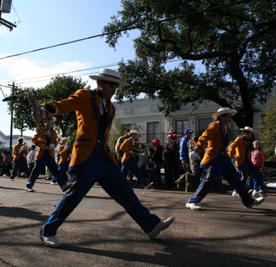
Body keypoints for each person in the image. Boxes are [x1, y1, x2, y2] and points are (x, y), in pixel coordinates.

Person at [39, 68, 174, 248]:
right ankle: (47, 231)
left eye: (116, 87)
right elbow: (63, 105)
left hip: (105, 157)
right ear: (100, 84)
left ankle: (151, 225)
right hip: (86, 157)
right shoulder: (84, 95)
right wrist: (46, 108)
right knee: (75, 195)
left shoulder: (111, 108)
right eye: (111, 86)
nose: (114, 90)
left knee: (126, 192)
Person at [185, 107, 264, 210]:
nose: (230, 118)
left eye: (230, 116)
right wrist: (197, 150)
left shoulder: (228, 129)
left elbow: (223, 146)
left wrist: (230, 157)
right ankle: (192, 201)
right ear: (221, 116)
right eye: (227, 115)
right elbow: (204, 136)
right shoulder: (215, 125)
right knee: (209, 180)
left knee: (236, 180)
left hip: (224, 159)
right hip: (215, 158)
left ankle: (248, 201)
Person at [26, 127, 70, 192]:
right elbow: (33, 139)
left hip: (50, 154)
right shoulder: (41, 130)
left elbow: (55, 142)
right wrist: (41, 145)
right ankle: (29, 185)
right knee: (36, 171)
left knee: (55, 171)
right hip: (42, 154)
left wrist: (53, 145)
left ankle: (62, 185)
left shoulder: (54, 131)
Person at [228, 127, 263, 198]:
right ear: (246, 133)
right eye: (251, 134)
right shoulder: (239, 139)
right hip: (241, 161)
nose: (251, 136)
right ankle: (237, 191)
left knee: (256, 173)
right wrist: (232, 156)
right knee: (244, 177)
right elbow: (231, 147)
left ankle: (255, 190)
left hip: (247, 161)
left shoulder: (248, 141)